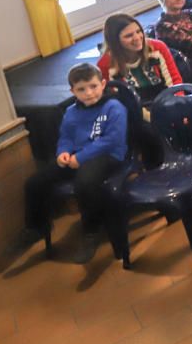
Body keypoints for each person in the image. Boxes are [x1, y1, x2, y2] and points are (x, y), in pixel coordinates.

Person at [21, 63, 128, 264]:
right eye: (81, 89)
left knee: (85, 183)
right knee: (35, 182)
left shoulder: (114, 107)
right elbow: (66, 137)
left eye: (93, 86)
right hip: (77, 157)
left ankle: (91, 231)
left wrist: (81, 157)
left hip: (109, 156)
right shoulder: (71, 111)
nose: (89, 93)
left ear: (103, 84)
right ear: (72, 91)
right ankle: (37, 226)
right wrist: (63, 152)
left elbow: (112, 139)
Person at [97, 14, 182, 105]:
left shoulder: (157, 47)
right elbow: (116, 99)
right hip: (135, 108)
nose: (137, 38)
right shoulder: (105, 65)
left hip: (166, 100)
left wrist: (177, 105)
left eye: (138, 31)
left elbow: (174, 81)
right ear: (115, 41)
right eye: (128, 36)